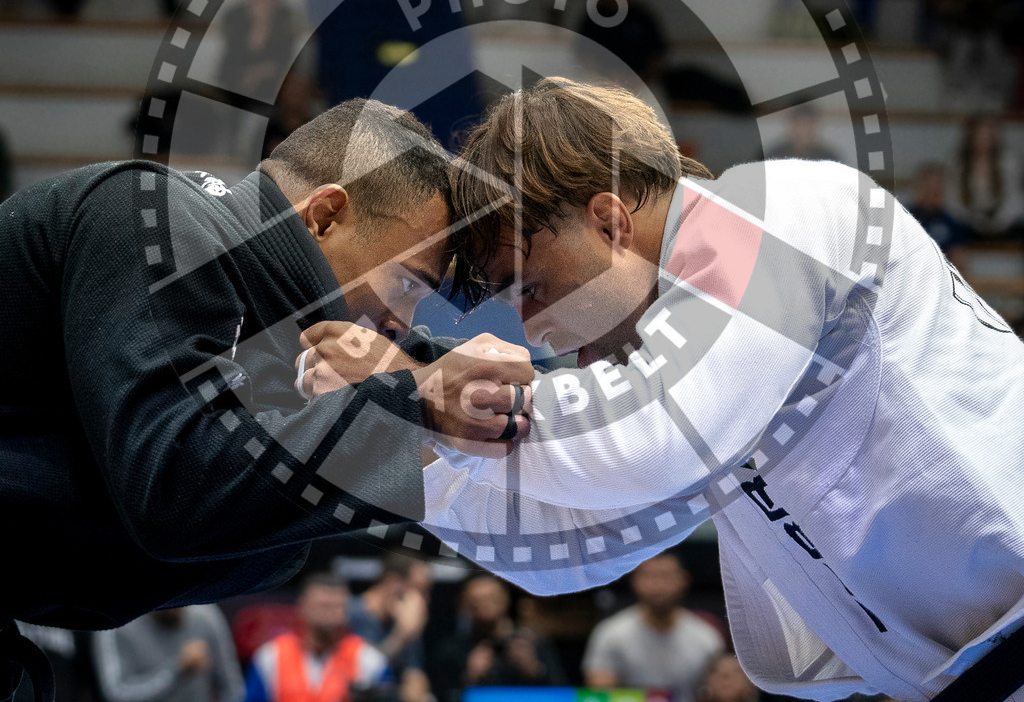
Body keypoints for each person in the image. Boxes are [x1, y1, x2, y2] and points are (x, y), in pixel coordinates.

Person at [305, 78, 1024, 701]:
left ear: (609, 221)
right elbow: (577, 544)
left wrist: (432, 393)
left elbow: (649, 436)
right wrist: (405, 437)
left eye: (532, 286)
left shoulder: (779, 211)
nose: (530, 329)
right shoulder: (699, 364)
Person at [0, 97, 534, 641]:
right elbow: (174, 497)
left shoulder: (266, 325)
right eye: (405, 284)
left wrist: (459, 392)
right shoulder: (152, 215)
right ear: (324, 217)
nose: (400, 320)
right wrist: (412, 405)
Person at [582, 552, 723, 702]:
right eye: (649, 576)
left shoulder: (707, 637)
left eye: (666, 576)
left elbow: (720, 694)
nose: (658, 585)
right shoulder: (610, 634)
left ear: (684, 580)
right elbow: (599, 695)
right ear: (634, 580)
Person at [243, 574, 388, 702]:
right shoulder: (270, 657)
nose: (331, 614)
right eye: (323, 606)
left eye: (338, 607)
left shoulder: (369, 661)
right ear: (302, 606)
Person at [430, 575, 563, 702]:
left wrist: (535, 670)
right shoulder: (452, 649)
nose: (485, 606)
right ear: (464, 604)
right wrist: (470, 676)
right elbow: (440, 695)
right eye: (476, 601)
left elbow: (564, 693)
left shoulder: (533, 643)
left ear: (506, 597)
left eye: (492, 598)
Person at [93, 606, 243, 702]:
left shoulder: (205, 616)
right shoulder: (117, 626)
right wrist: (176, 671)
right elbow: (116, 694)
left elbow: (232, 686)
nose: (176, 606)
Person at [346, 559, 430, 702]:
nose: (421, 601)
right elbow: (362, 673)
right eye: (418, 589)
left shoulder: (404, 622)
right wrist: (401, 636)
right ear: (392, 581)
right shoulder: (350, 613)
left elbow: (414, 675)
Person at [946, 115, 1024, 240]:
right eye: (980, 135)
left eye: (988, 135)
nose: (984, 140)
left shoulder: (1008, 161)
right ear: (971, 136)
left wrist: (1000, 222)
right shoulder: (958, 162)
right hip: (968, 223)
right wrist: (973, 220)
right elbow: (952, 200)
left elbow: (1014, 198)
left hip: (1005, 224)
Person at [904, 163, 970, 261]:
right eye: (929, 188)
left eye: (938, 188)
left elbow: (959, 259)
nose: (934, 193)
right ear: (918, 188)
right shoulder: (902, 219)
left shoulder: (953, 224)